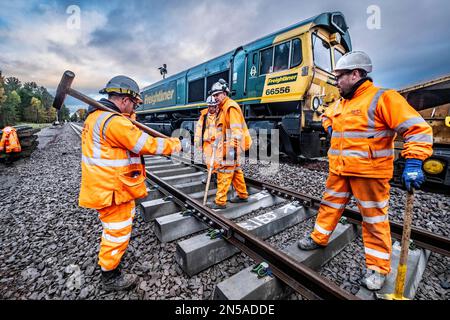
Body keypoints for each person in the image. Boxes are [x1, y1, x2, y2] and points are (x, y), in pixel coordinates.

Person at [297, 51, 433, 290]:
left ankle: (378, 268)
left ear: (356, 74)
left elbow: (417, 129)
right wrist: (329, 128)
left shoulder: (383, 98)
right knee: (329, 207)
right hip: (339, 171)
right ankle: (319, 238)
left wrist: (414, 161)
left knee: (374, 220)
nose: (336, 81)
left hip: (369, 174)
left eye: (340, 76)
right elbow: (328, 116)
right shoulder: (341, 103)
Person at [78, 75, 181, 291]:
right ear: (125, 100)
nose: (134, 107)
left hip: (104, 185)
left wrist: (129, 117)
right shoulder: (113, 121)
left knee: (114, 228)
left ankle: (111, 262)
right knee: (118, 230)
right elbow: (145, 144)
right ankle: (110, 276)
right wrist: (173, 145)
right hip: (113, 189)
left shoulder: (97, 118)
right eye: (134, 103)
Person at [194, 79, 251, 210]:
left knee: (224, 171)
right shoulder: (223, 107)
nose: (215, 98)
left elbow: (236, 132)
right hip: (231, 145)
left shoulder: (230, 107)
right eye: (214, 95)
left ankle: (220, 201)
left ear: (225, 93)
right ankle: (243, 195)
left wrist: (230, 151)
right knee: (235, 170)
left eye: (217, 94)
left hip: (234, 145)